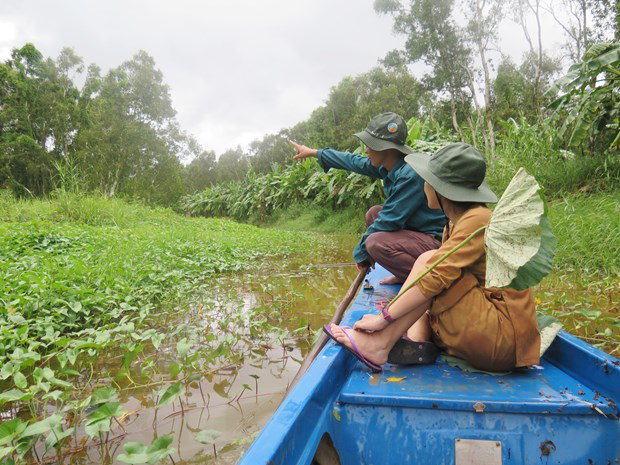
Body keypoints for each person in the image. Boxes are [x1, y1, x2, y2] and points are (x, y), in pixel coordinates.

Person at [324, 142, 541, 373]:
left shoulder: (478, 219)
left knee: (430, 262)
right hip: (486, 332)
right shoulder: (457, 219)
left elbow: (436, 274)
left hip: (500, 341)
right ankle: (417, 340)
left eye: (428, 180)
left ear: (441, 188)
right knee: (431, 262)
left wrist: (382, 318)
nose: (424, 185)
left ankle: (380, 344)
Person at [290, 112, 447, 284]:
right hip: (418, 233)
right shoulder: (390, 164)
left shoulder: (411, 174)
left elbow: (390, 220)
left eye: (370, 145)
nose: (365, 150)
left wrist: (361, 252)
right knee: (374, 213)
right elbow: (352, 161)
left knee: (375, 243)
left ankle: (428, 283)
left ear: (385, 149)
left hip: (437, 243)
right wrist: (313, 152)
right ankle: (406, 275)